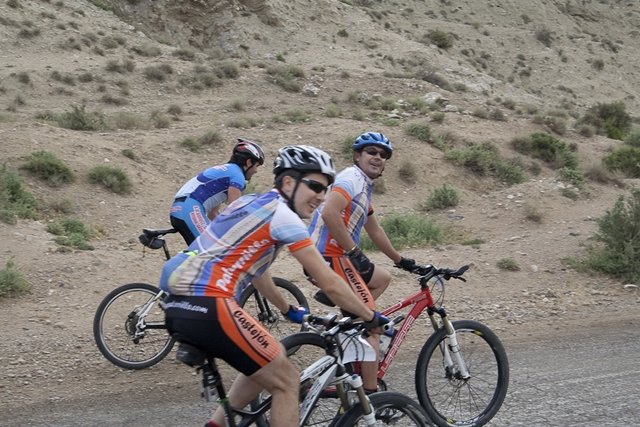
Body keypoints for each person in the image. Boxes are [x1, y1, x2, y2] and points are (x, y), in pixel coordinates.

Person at [159, 145, 389, 427]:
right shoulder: (284, 216)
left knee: (271, 357)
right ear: (288, 182)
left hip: (177, 305)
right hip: (210, 303)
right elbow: (328, 281)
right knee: (287, 381)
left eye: (326, 189)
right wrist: (370, 316)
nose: (321, 196)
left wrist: (287, 308)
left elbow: (256, 272)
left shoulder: (248, 203)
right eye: (316, 186)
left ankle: (217, 424)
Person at [307, 131, 417, 393]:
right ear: (357, 156)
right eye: (371, 152)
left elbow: (375, 230)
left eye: (383, 155)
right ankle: (370, 395)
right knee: (373, 327)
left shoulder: (364, 187)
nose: (378, 157)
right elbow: (330, 212)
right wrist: (354, 251)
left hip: (338, 257)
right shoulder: (351, 178)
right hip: (331, 256)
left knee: (382, 278)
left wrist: (402, 261)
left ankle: (350, 328)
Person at [169, 138, 265, 246]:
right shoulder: (238, 176)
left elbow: (213, 214)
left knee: (209, 248)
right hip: (190, 209)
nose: (256, 171)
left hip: (180, 209)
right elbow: (235, 209)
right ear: (249, 162)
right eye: (257, 166)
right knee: (209, 249)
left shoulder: (228, 172)